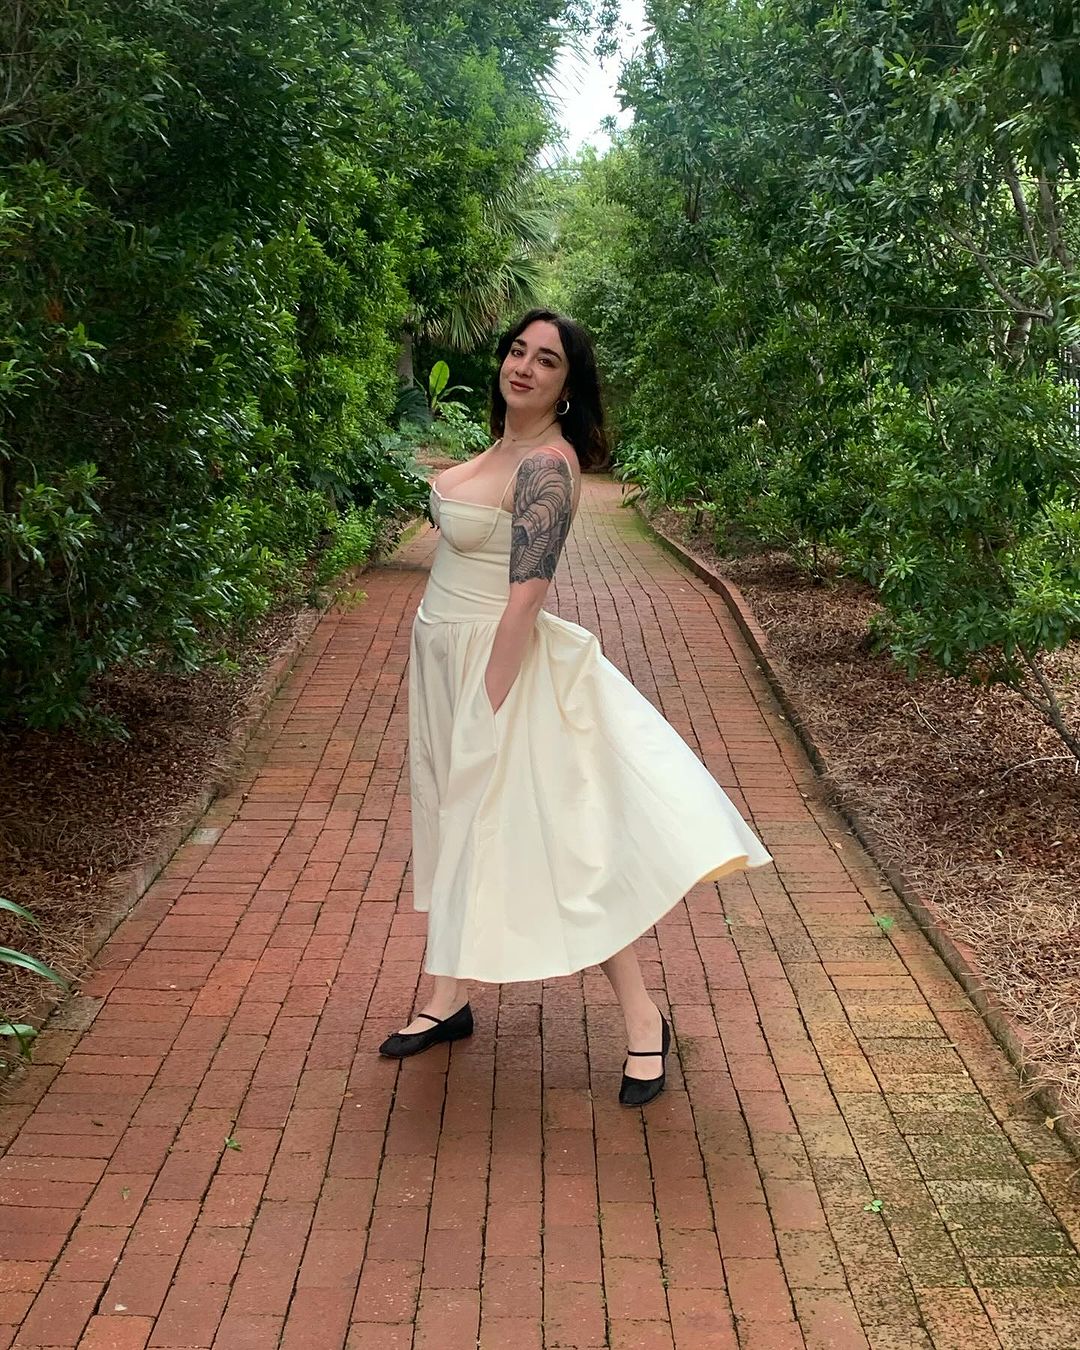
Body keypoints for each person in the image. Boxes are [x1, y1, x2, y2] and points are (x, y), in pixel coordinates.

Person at [379, 309, 773, 1105]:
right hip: (446, 663)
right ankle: (448, 996)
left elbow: (527, 595)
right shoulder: (499, 449)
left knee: (560, 850)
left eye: (547, 360)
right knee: (455, 827)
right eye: (517, 351)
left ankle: (644, 1022)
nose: (523, 366)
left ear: (567, 385)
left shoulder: (546, 467)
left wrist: (487, 704)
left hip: (501, 674)